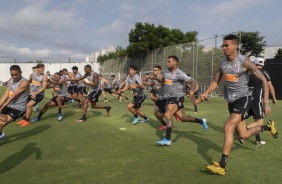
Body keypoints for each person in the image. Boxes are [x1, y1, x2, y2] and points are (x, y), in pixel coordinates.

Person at [201, 34, 277, 176]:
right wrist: (206, 93)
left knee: (228, 126)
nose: (224, 48)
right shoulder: (222, 63)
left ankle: (222, 165)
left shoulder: (245, 62)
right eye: (223, 46)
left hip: (244, 99)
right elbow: (216, 82)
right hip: (231, 101)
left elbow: (264, 81)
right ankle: (267, 127)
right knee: (243, 134)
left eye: (226, 45)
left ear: (235, 46)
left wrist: (266, 103)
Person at [155, 56, 208, 146]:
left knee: (167, 114)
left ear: (175, 63)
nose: (167, 63)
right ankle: (202, 121)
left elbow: (193, 82)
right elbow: (165, 80)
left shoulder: (180, 73)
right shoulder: (167, 71)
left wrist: (191, 91)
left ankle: (167, 139)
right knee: (183, 118)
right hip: (169, 98)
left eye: (169, 61)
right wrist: (156, 78)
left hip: (177, 97)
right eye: (167, 61)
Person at [245, 57, 277, 145]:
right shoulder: (264, 73)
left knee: (243, 118)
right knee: (259, 121)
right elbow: (270, 87)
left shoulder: (248, 72)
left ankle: (258, 139)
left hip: (246, 100)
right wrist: (274, 98)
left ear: (254, 63)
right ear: (263, 64)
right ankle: (244, 131)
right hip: (256, 100)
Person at [0, 65, 29, 141]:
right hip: (9, 105)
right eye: (12, 75)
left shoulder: (24, 82)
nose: (14, 77)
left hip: (18, 108)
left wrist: (2, 107)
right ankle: (1, 135)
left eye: (16, 74)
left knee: (1, 123)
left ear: (21, 72)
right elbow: (6, 94)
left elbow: (13, 96)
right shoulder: (10, 81)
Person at [149, 65, 168, 130]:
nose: (154, 72)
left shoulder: (161, 77)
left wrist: (156, 79)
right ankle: (164, 124)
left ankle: (173, 113)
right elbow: (152, 84)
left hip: (165, 98)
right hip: (160, 98)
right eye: (153, 70)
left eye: (155, 70)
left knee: (159, 114)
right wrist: (143, 82)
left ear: (159, 71)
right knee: (155, 113)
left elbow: (163, 83)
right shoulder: (155, 77)